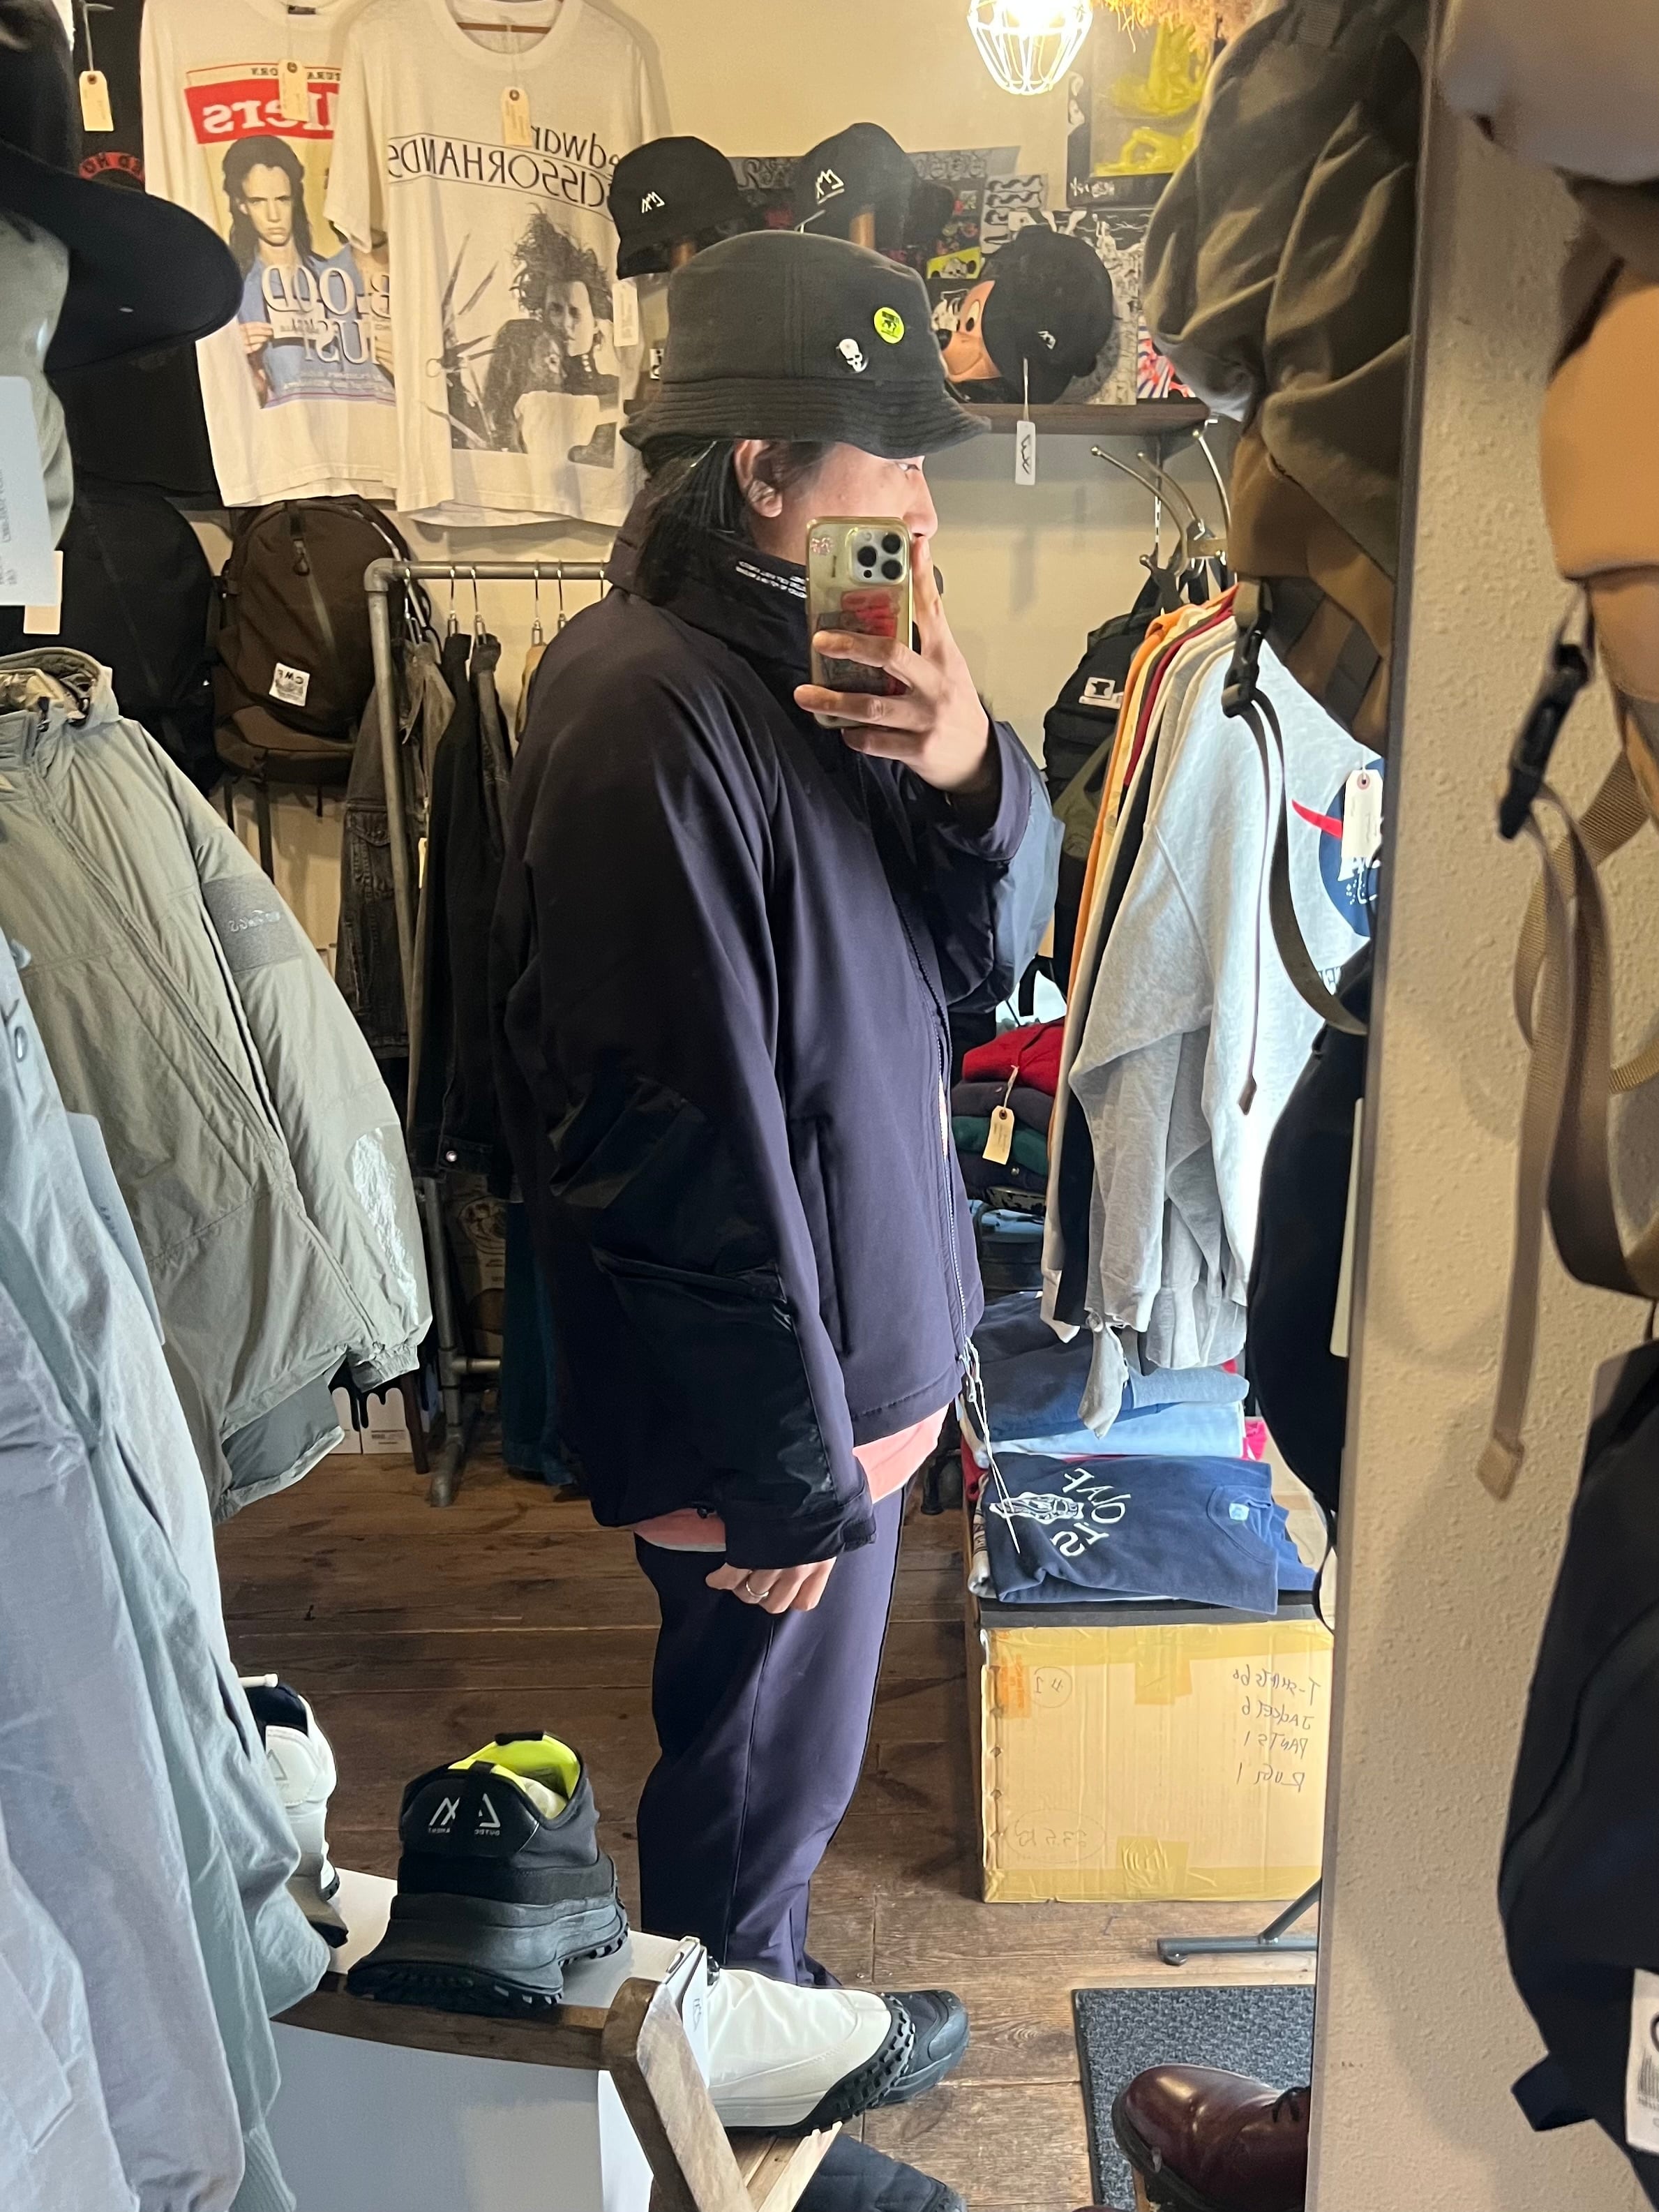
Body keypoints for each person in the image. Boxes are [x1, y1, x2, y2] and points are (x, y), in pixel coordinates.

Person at [492, 230, 1058, 2005]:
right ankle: (732, 2110)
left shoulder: (812, 679)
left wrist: (965, 769)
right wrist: (782, 1473)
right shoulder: (639, 707)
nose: (924, 509)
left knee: (780, 1790)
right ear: (760, 469)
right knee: (748, 1799)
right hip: (773, 1408)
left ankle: (766, 2041)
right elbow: (658, 1130)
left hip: (838, 1367)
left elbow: (981, 972)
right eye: (892, 461)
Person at [221, 134, 391, 405]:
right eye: (258, 201)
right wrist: (235, 364)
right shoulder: (238, 298)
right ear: (242, 205)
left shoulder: (343, 273)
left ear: (295, 199)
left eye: (282, 199)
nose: (273, 215)